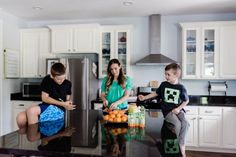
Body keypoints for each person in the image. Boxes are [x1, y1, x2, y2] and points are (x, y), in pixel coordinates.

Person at [138, 63, 189, 157]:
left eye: (168, 74)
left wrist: (178, 109)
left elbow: (186, 100)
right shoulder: (164, 85)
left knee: (186, 123)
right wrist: (144, 97)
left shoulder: (181, 87)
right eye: (165, 74)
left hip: (178, 110)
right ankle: (178, 149)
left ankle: (181, 144)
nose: (166, 76)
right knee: (177, 124)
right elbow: (155, 94)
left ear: (176, 75)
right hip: (168, 111)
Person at [16, 62, 76, 128]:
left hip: (58, 109)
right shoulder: (47, 80)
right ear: (52, 76)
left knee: (31, 111)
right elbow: (45, 98)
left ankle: (33, 136)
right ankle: (25, 136)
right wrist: (64, 104)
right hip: (45, 106)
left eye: (63, 78)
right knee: (20, 118)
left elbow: (67, 100)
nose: (62, 81)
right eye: (59, 79)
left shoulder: (68, 83)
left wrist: (68, 104)